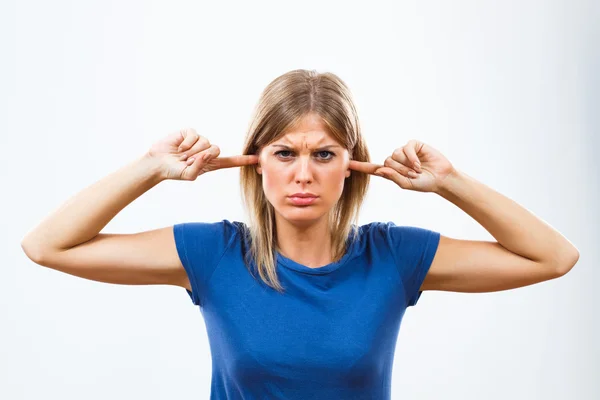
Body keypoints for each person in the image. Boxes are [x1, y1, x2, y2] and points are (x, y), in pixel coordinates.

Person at [21, 69, 579, 399]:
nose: (303, 174)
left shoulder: (393, 256)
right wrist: (151, 166)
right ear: (254, 162)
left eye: (324, 154)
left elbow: (553, 257)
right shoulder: (214, 253)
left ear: (352, 165)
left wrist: (450, 183)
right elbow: (47, 245)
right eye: (284, 153)